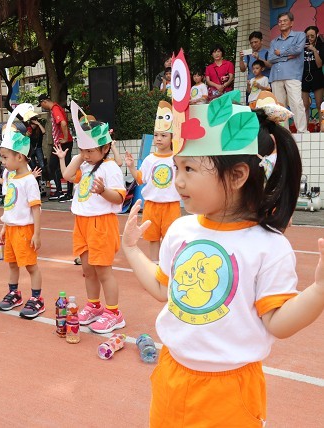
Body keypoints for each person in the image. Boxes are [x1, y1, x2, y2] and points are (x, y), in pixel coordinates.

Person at [123, 57, 324, 423]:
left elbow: (277, 322)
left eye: (189, 169)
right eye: (177, 167)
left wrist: (319, 291)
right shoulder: (181, 230)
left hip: (230, 391)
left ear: (237, 176)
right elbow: (164, 287)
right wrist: (131, 250)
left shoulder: (268, 246)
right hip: (171, 376)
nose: (178, 180)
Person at [54, 101, 127, 333]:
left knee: (104, 270)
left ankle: (114, 313)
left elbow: (119, 198)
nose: (86, 154)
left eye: (91, 150)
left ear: (105, 148)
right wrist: (79, 156)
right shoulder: (85, 165)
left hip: (101, 224)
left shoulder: (110, 168)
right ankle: (94, 306)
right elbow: (67, 175)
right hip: (82, 223)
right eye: (83, 149)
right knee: (88, 270)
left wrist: (103, 191)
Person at [0, 104, 44, 319]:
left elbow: (36, 208)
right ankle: (14, 293)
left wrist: (37, 233)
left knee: (31, 266)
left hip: (25, 230)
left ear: (20, 157)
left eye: (5, 157)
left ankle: (37, 299)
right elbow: (10, 206)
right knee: (12, 264)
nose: (3, 162)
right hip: (12, 229)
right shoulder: (12, 178)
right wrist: (4, 226)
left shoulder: (28, 181)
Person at [125, 101, 181, 262]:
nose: (159, 139)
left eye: (163, 135)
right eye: (156, 135)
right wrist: (131, 167)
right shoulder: (149, 159)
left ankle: (169, 265)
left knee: (171, 238)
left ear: (172, 137)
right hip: (151, 205)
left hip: (171, 205)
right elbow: (140, 178)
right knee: (153, 238)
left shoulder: (177, 158)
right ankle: (155, 265)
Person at [268, 12, 308, 133]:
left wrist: (280, 53)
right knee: (279, 106)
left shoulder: (300, 35)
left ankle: (302, 131)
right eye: (280, 21)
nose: (282, 23)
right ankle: (284, 132)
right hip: (276, 76)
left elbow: (298, 50)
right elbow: (271, 58)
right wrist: (287, 56)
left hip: (292, 74)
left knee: (296, 102)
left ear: (291, 23)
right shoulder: (274, 42)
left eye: (285, 20)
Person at [39, 94, 74, 202]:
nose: (42, 107)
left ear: (44, 102)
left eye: (41, 104)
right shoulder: (56, 108)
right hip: (60, 143)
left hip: (63, 143)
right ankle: (60, 192)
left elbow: (63, 123)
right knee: (53, 166)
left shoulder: (55, 109)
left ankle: (68, 193)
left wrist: (65, 138)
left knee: (61, 166)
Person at [302, 26, 324, 125]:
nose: (310, 38)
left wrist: (314, 50)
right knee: (305, 105)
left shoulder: (321, 46)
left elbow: (319, 65)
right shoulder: (302, 45)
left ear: (317, 35)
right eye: (308, 36)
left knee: (319, 104)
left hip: (317, 75)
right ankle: (304, 128)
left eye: (312, 36)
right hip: (304, 75)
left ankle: (322, 127)